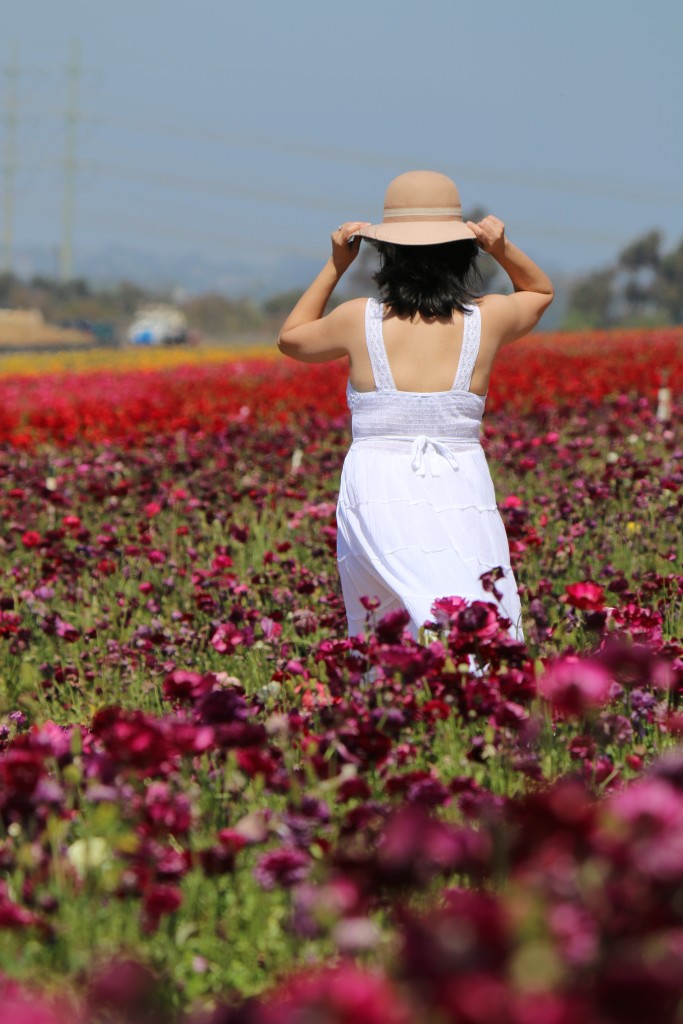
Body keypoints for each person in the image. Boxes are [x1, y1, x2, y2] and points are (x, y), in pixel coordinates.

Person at [278, 170, 554, 639]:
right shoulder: (487, 319)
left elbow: (291, 339)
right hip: (458, 480)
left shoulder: (356, 319)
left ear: (384, 253)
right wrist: (502, 248)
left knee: (381, 622)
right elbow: (539, 292)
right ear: (463, 250)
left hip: (377, 482)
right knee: (476, 607)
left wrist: (336, 264)